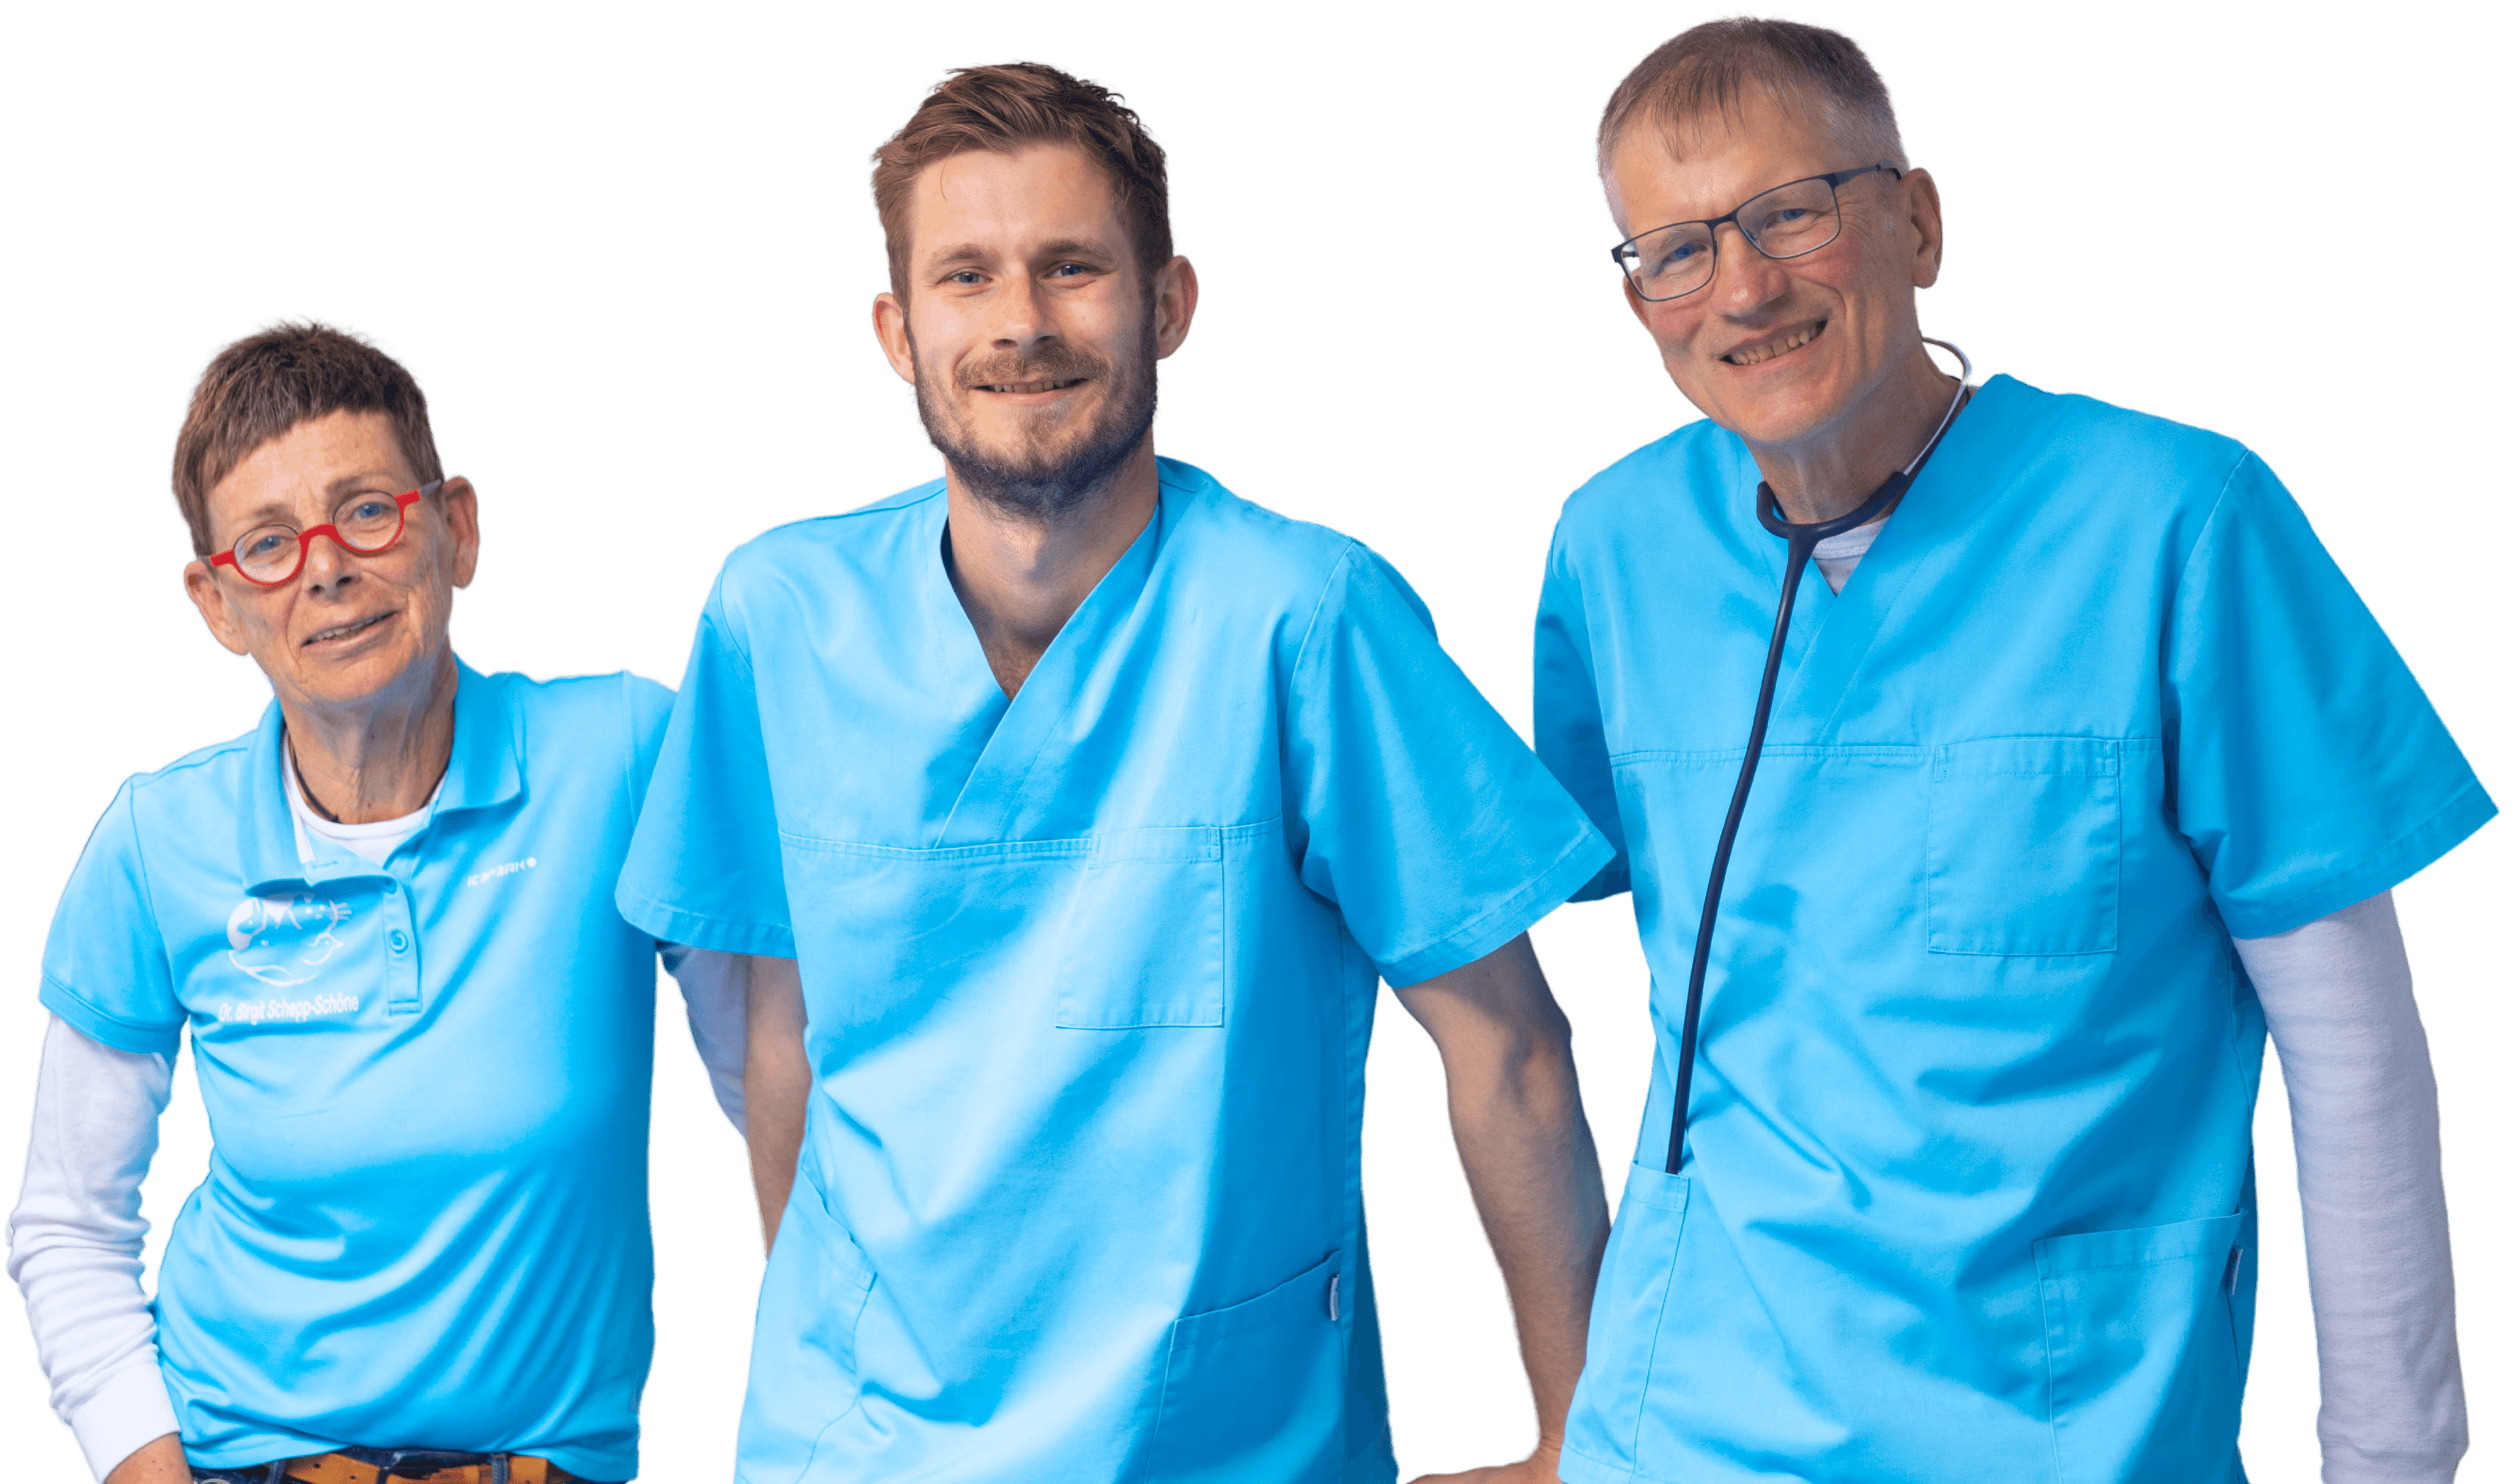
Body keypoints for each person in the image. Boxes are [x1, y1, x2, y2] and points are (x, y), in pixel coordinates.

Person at [616, 61, 1615, 1484]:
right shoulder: (776, 615)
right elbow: (778, 1033)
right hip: (852, 1444)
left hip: (1217, 1436)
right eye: (966, 276)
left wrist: (1582, 1441)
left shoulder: (1302, 615)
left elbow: (1507, 1046)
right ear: (898, 331)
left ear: (1167, 302)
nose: (1019, 322)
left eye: (1071, 267)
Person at [1526, 17, 2491, 1484]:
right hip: (1683, 1419)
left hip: (2062, 1419)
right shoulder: (1610, 543)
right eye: (1672, 248)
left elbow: (2350, 1048)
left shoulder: (2177, 517)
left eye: (1790, 212)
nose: (1740, 286)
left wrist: (2389, 1459)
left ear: (1912, 218)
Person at [6, 318, 744, 1484]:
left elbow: (784, 1101)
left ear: (454, 528)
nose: (326, 570)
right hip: (235, 1461)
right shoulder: (157, 841)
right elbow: (67, 1224)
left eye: (365, 512)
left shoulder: (626, 756)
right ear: (215, 601)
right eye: (265, 545)